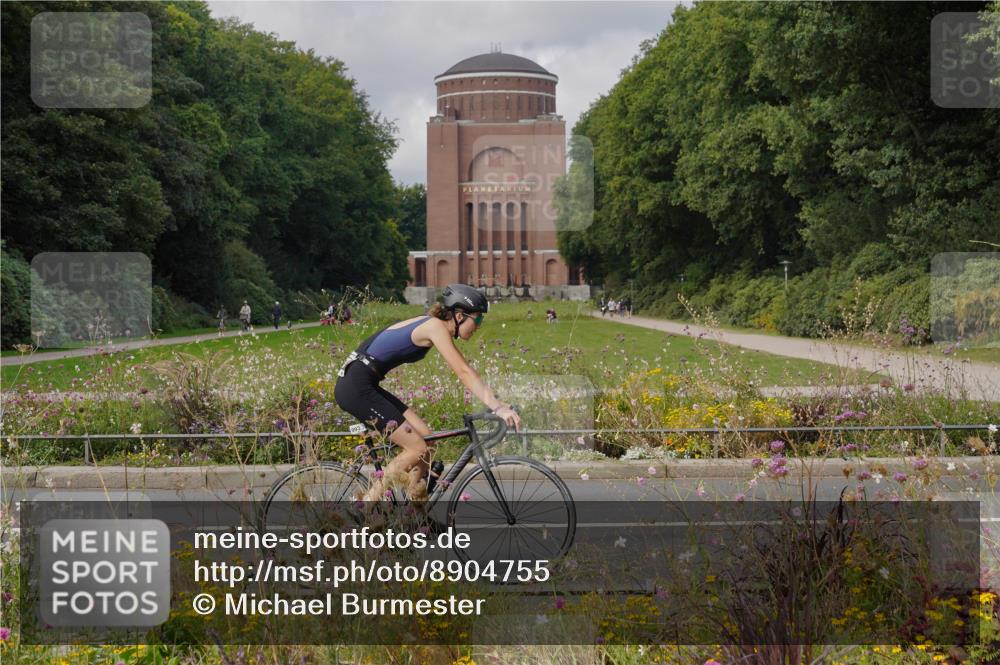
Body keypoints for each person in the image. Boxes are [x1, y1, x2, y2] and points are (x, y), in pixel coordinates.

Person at [334, 284, 521, 502]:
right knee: (416, 448)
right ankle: (366, 505)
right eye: (477, 319)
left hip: (364, 382)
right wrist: (497, 407)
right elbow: (463, 371)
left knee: (427, 440)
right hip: (356, 386)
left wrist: (497, 402)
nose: (479, 326)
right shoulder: (435, 327)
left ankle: (415, 511)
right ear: (460, 316)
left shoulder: (432, 324)